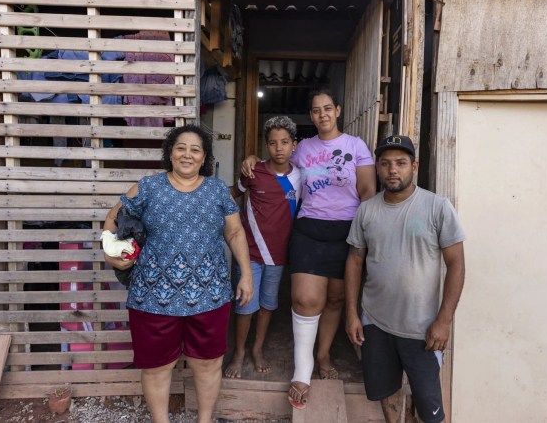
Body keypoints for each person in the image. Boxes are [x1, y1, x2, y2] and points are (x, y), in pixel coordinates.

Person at [102, 124, 253, 423]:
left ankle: (205, 420)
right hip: (153, 296)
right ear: (170, 153)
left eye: (195, 149)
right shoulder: (147, 187)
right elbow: (112, 218)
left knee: (208, 364)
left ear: (204, 157)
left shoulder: (218, 191)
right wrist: (111, 253)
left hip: (210, 294)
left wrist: (246, 274)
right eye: (180, 147)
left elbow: (235, 232)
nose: (187, 154)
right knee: (156, 367)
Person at [241, 89, 376, 409]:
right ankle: (303, 371)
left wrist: (367, 230)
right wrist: (249, 159)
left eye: (328, 108)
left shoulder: (356, 146)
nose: (322, 115)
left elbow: (369, 189)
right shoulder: (302, 149)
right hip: (309, 229)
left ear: (338, 110)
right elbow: (273, 163)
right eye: (316, 111)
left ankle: (324, 354)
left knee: (336, 298)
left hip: (348, 230)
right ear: (311, 116)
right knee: (305, 298)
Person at [344, 135, 466, 423]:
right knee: (387, 393)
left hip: (422, 329)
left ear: (414, 165)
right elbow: (355, 261)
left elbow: (456, 264)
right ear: (377, 168)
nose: (392, 170)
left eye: (400, 163)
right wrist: (352, 314)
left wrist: (444, 320)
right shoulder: (367, 210)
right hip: (376, 322)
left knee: (430, 409)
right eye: (385, 164)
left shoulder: (437, 207)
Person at [224, 116, 301, 379]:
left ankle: (257, 349)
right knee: (245, 305)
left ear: (294, 145)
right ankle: (239, 352)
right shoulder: (254, 171)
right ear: (266, 146)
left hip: (278, 256)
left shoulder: (301, 176)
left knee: (268, 304)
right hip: (250, 253)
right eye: (272, 143)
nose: (279, 148)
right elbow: (234, 191)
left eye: (284, 142)